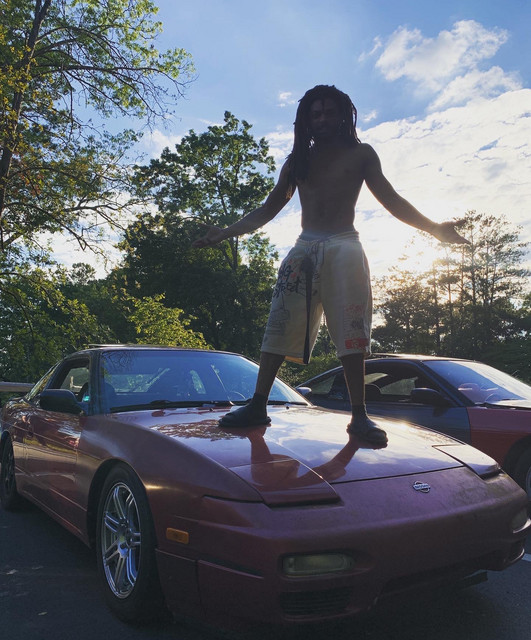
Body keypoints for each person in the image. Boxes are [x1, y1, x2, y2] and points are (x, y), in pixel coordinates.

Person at [193, 85, 468, 443]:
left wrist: (433, 228)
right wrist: (226, 232)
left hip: (345, 247)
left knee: (352, 331)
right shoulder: (298, 161)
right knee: (280, 322)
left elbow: (391, 199)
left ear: (343, 116)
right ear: (306, 119)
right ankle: (258, 403)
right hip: (304, 248)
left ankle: (359, 416)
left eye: (328, 112)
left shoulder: (361, 154)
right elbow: (268, 207)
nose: (322, 119)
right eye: (315, 114)